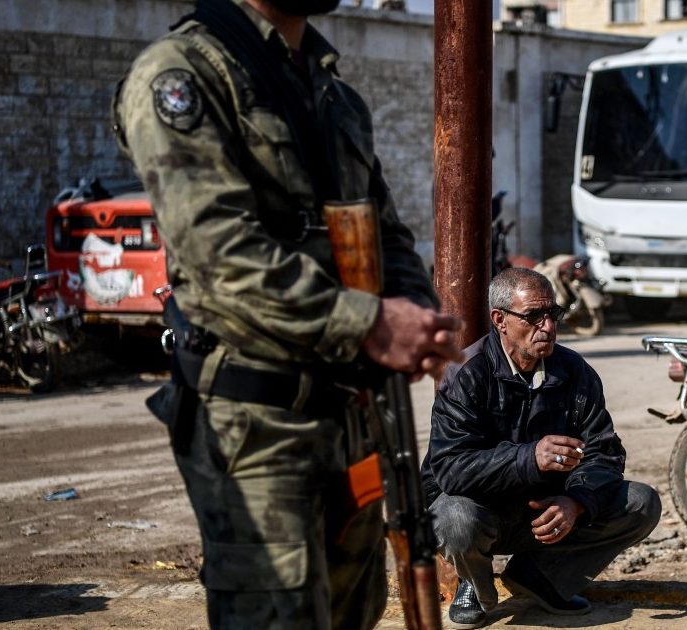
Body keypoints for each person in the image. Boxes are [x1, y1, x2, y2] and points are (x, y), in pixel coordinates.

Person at [113, 0, 463, 627]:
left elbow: (384, 231)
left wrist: (416, 310)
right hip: (260, 427)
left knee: (354, 610)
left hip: (353, 417)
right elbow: (222, 257)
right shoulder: (184, 74)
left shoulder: (333, 94)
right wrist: (372, 325)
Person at [422, 267, 661, 629]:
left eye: (553, 314)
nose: (548, 326)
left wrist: (577, 501)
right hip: (480, 511)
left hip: (546, 513)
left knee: (642, 503)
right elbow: (450, 468)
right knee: (454, 517)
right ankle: (474, 583)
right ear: (500, 320)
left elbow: (605, 452)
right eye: (534, 316)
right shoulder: (466, 374)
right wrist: (529, 457)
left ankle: (543, 578)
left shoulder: (574, 371)